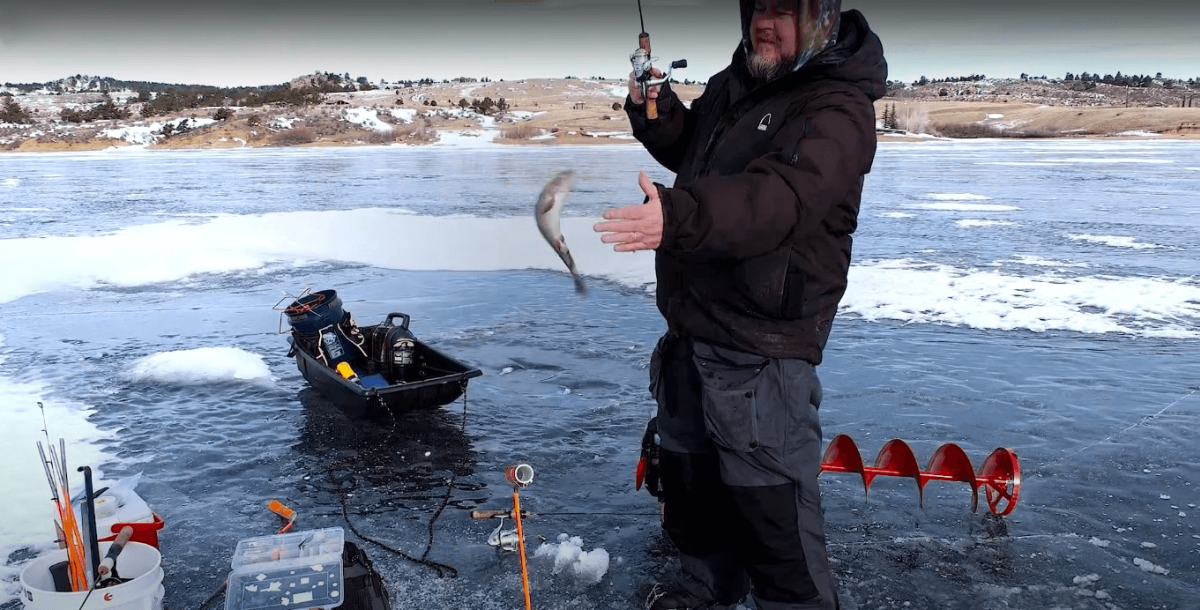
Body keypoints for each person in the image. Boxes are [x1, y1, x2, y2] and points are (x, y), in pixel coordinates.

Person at [593, 1, 887, 609]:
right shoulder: (741, 84)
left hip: (761, 354)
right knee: (694, 512)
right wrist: (658, 107)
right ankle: (702, 596)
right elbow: (697, 151)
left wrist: (675, 217)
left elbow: (775, 200)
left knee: (777, 538)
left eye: (781, 10)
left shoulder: (838, 108)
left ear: (820, 18)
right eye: (757, 8)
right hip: (691, 335)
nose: (762, 23)